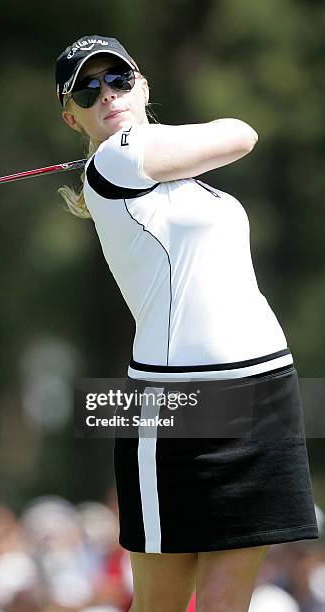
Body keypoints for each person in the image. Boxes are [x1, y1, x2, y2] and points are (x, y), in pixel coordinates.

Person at [55, 35, 319, 612]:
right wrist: (137, 130)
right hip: (175, 405)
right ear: (72, 115)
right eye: (88, 89)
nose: (108, 94)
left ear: (143, 85)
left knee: (229, 606)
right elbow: (241, 133)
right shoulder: (115, 159)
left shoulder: (184, 181)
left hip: (265, 395)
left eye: (119, 80)